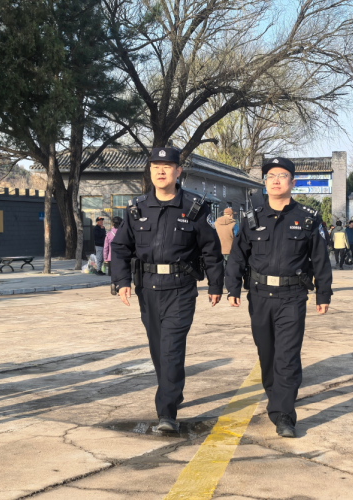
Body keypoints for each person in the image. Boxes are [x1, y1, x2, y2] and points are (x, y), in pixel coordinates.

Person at [111, 147, 224, 433]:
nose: (161, 171)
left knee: (171, 348)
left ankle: (167, 412)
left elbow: (210, 249)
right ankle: (173, 390)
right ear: (150, 171)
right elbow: (121, 247)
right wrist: (122, 281)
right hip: (147, 288)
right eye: (155, 166)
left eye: (167, 166)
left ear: (178, 171)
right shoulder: (136, 209)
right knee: (158, 349)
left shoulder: (194, 208)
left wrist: (215, 283)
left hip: (180, 288)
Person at [226, 157, 332, 438]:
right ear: (265, 182)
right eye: (270, 176)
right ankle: (276, 398)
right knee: (267, 354)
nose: (275, 180)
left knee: (287, 355)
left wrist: (323, 293)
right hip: (259, 295)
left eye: (282, 175)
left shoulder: (307, 218)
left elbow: (320, 259)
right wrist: (232, 288)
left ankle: (284, 414)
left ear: (292, 182)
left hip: (292, 296)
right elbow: (237, 256)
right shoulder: (252, 219)